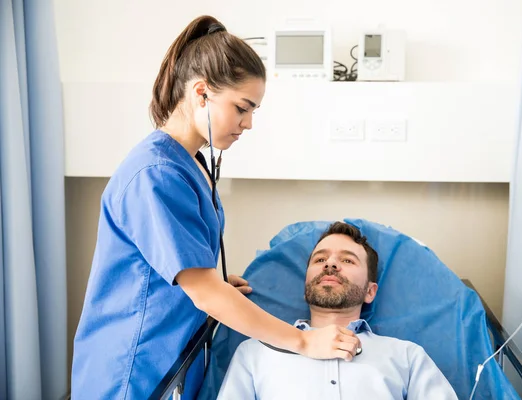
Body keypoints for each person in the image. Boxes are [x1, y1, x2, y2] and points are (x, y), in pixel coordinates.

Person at [70, 16, 360, 400]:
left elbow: (181, 271)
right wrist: (304, 342)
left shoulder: (192, 164)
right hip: (134, 370)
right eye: (243, 107)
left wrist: (215, 283)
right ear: (202, 93)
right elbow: (203, 293)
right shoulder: (155, 175)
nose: (249, 123)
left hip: (173, 360)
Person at [216, 222, 459, 400]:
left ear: (370, 292)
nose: (331, 264)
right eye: (320, 260)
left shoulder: (406, 357)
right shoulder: (254, 353)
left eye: (348, 260)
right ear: (305, 287)